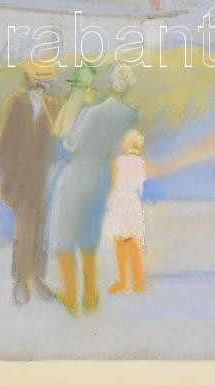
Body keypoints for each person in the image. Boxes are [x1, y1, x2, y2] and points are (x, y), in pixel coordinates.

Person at [50, 64, 138, 315]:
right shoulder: (130, 114)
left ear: (109, 84)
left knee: (63, 233)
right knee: (89, 234)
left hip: (77, 173)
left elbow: (69, 143)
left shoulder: (92, 112)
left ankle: (70, 295)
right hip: (101, 175)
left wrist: (76, 104)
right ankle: (90, 294)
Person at [0, 57, 59, 305]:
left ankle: (38, 276)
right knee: (24, 229)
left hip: (43, 177)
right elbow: (4, 143)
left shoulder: (51, 105)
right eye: (39, 78)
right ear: (30, 79)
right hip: (21, 178)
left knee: (41, 228)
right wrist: (8, 176)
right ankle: (21, 280)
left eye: (47, 79)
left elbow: (53, 141)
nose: (43, 84)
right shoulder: (17, 103)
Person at [105, 129, 148, 295]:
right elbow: (140, 186)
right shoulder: (142, 163)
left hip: (118, 202)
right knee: (133, 242)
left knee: (119, 242)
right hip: (132, 203)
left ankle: (123, 281)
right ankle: (138, 283)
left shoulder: (117, 161)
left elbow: (112, 183)